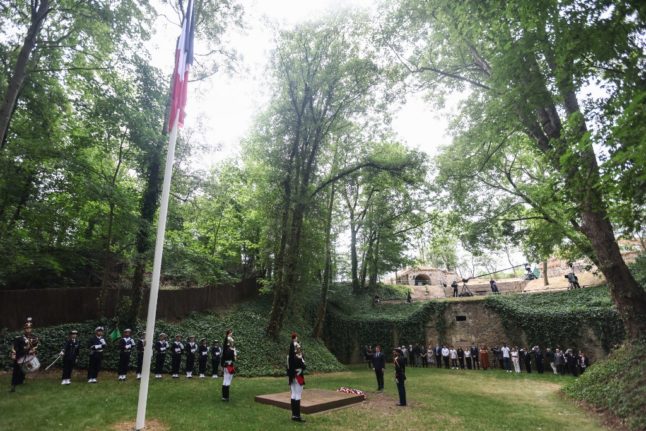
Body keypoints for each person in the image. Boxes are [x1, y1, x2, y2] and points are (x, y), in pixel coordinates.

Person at [10, 317, 39, 392]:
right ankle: (14, 384)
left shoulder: (34, 337)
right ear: (24, 329)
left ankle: (21, 380)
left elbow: (36, 346)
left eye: (29, 328)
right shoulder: (19, 338)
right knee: (16, 370)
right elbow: (15, 347)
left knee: (23, 370)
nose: (28, 330)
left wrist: (33, 350)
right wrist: (14, 353)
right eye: (27, 328)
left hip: (27, 356)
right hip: (19, 355)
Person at [287, 333, 306, 421]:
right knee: (298, 395)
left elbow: (288, 367)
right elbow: (303, 366)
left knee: (293, 394)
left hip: (291, 376)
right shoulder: (298, 357)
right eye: (298, 348)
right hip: (299, 376)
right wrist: (302, 358)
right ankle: (297, 416)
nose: (299, 348)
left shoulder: (289, 357)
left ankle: (294, 415)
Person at [221, 329, 236, 401]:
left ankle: (225, 396)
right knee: (227, 380)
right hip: (228, 365)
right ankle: (225, 397)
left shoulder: (228, 348)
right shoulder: (227, 349)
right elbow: (229, 356)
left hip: (229, 364)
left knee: (228, 379)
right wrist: (233, 351)